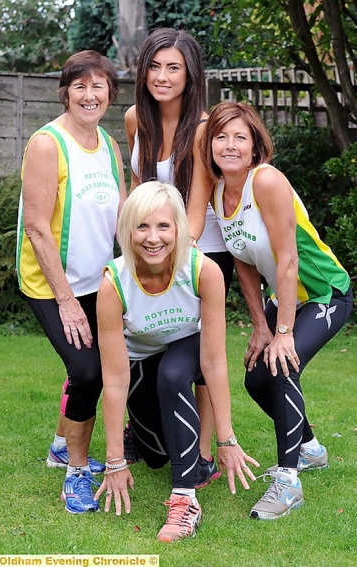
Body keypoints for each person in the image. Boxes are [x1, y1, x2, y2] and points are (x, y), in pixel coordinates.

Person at [199, 101, 353, 520]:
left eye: (240, 138)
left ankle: (289, 481)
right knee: (254, 378)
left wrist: (282, 332)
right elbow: (245, 264)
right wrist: (260, 327)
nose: (229, 145)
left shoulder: (266, 181)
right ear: (210, 143)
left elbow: (287, 261)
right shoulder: (217, 192)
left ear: (255, 146)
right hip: (281, 298)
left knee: (283, 365)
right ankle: (310, 449)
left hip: (325, 292)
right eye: (221, 136)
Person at [94, 180, 259, 541]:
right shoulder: (113, 284)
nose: (153, 238)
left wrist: (226, 439)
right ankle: (145, 440)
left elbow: (214, 363)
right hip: (141, 360)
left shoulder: (203, 270)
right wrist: (114, 460)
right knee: (156, 456)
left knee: (172, 375)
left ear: (179, 229)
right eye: (143, 226)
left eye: (163, 226)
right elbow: (116, 380)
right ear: (128, 230)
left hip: (188, 348)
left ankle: (185, 500)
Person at [16, 50, 127, 514]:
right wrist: (65, 300)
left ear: (110, 94)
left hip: (95, 280)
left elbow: (121, 218)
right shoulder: (47, 144)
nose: (89, 94)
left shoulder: (110, 144)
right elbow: (39, 228)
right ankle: (75, 473)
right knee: (87, 372)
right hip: (51, 284)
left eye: (98, 86)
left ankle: (62, 445)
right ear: (66, 92)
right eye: (79, 86)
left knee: (98, 365)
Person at [123, 27, 234, 486]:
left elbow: (197, 203)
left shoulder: (204, 127)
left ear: (191, 75)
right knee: (150, 345)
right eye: (155, 66)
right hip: (154, 246)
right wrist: (133, 253)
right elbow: (138, 192)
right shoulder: (135, 119)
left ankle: (204, 452)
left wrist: (171, 261)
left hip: (199, 252)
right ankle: (143, 430)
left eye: (174, 68)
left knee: (202, 359)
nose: (162, 76)